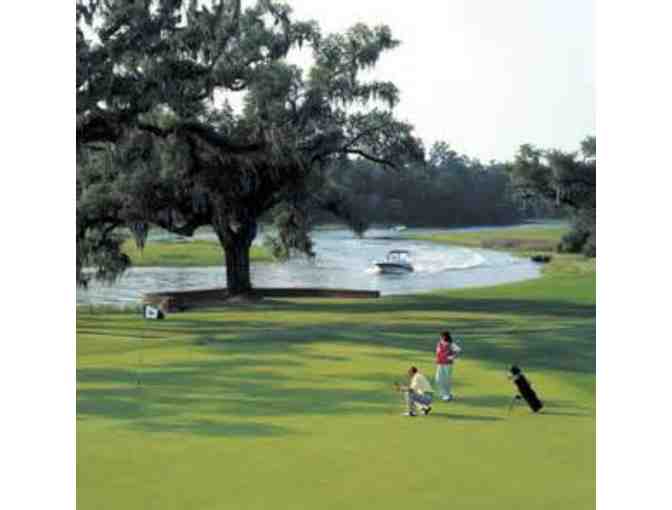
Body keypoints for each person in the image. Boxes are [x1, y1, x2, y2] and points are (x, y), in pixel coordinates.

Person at [435, 331, 461, 401]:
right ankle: (443, 393)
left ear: (445, 336)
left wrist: (453, 356)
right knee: (438, 379)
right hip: (440, 363)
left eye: (441, 336)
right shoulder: (439, 343)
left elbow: (458, 350)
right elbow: (438, 352)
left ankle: (447, 395)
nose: (440, 337)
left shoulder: (451, 344)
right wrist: (437, 358)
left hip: (448, 364)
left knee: (447, 379)